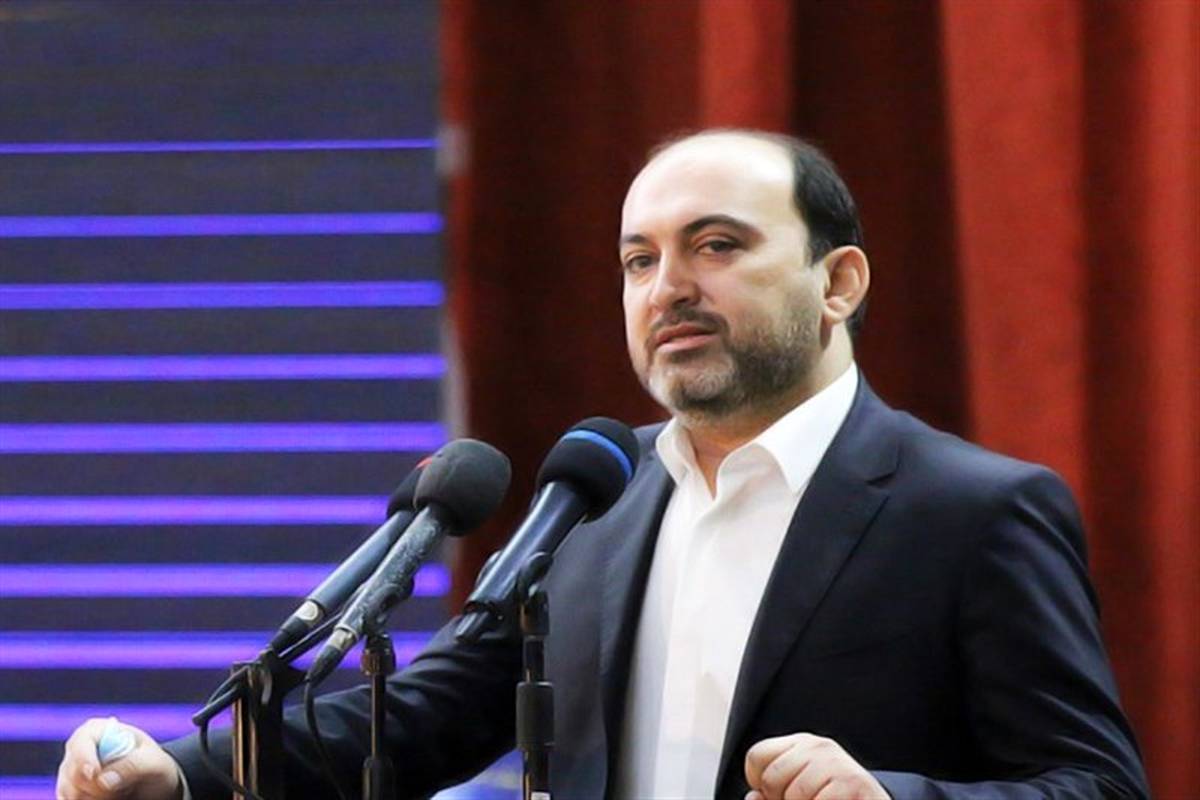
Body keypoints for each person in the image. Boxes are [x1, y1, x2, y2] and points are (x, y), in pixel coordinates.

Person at [57, 130, 1148, 800]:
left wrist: (892, 799)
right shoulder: (594, 494)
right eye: (639, 259)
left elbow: (1095, 784)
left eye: (717, 245)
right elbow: (430, 713)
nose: (668, 286)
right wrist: (185, 772)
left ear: (839, 282)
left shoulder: (973, 509)